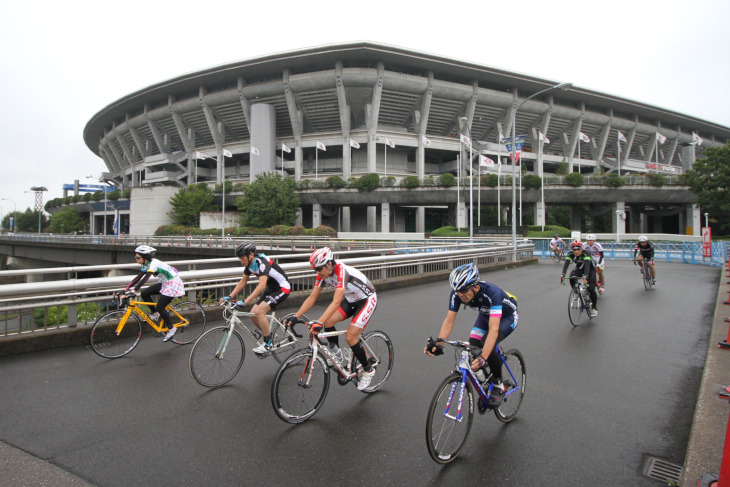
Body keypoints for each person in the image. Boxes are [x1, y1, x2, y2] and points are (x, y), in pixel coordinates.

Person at [424, 263, 518, 407]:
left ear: (476, 287)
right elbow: (449, 321)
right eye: (457, 290)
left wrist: (483, 357)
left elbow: (493, 330)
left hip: (507, 316)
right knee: (473, 344)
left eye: (463, 290)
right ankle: (486, 384)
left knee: (488, 344)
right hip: (486, 314)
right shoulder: (457, 294)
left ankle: (499, 385)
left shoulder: (492, 293)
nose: (460, 294)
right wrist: (438, 344)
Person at [285, 247, 378, 391]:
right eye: (314, 269)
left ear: (329, 264)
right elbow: (312, 297)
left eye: (319, 269)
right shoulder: (323, 274)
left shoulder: (342, 272)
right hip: (350, 299)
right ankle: (337, 354)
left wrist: (318, 322)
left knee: (351, 337)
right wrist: (295, 316)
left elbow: (335, 303)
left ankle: (368, 369)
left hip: (366, 299)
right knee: (328, 322)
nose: (317, 273)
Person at [221, 241, 292, 354]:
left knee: (259, 312)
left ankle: (268, 343)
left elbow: (262, 285)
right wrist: (230, 296)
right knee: (253, 314)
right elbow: (243, 282)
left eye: (242, 257)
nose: (240, 260)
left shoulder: (262, 262)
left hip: (282, 288)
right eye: (239, 257)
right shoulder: (249, 265)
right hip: (271, 288)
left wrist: (246, 301)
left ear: (251, 255)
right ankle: (268, 335)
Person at [120, 245, 185, 342]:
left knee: (160, 307)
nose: (136, 259)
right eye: (136, 258)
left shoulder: (153, 264)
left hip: (173, 283)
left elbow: (145, 279)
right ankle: (155, 314)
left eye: (138, 258)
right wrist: (126, 289)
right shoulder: (146, 263)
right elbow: (138, 278)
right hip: (164, 282)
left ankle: (172, 328)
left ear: (145, 257)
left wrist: (134, 291)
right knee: (144, 293)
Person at [561, 240, 598, 317]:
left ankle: (594, 307)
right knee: (572, 276)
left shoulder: (586, 253)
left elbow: (587, 265)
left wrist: (586, 276)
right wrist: (563, 275)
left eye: (578, 249)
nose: (576, 251)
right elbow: (566, 264)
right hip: (579, 269)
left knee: (591, 289)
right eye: (574, 249)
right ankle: (575, 290)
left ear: (581, 249)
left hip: (590, 270)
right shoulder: (570, 254)